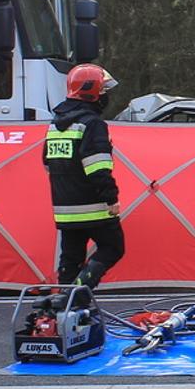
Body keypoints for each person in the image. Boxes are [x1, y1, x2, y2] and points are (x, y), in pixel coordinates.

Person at [47, 63, 125, 289]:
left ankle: (64, 302)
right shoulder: (93, 124)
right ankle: (80, 291)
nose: (105, 96)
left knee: (70, 258)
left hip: (64, 209)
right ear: (91, 92)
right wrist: (111, 198)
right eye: (103, 91)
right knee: (113, 247)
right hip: (93, 206)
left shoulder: (56, 125)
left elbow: (48, 163)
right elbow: (97, 168)